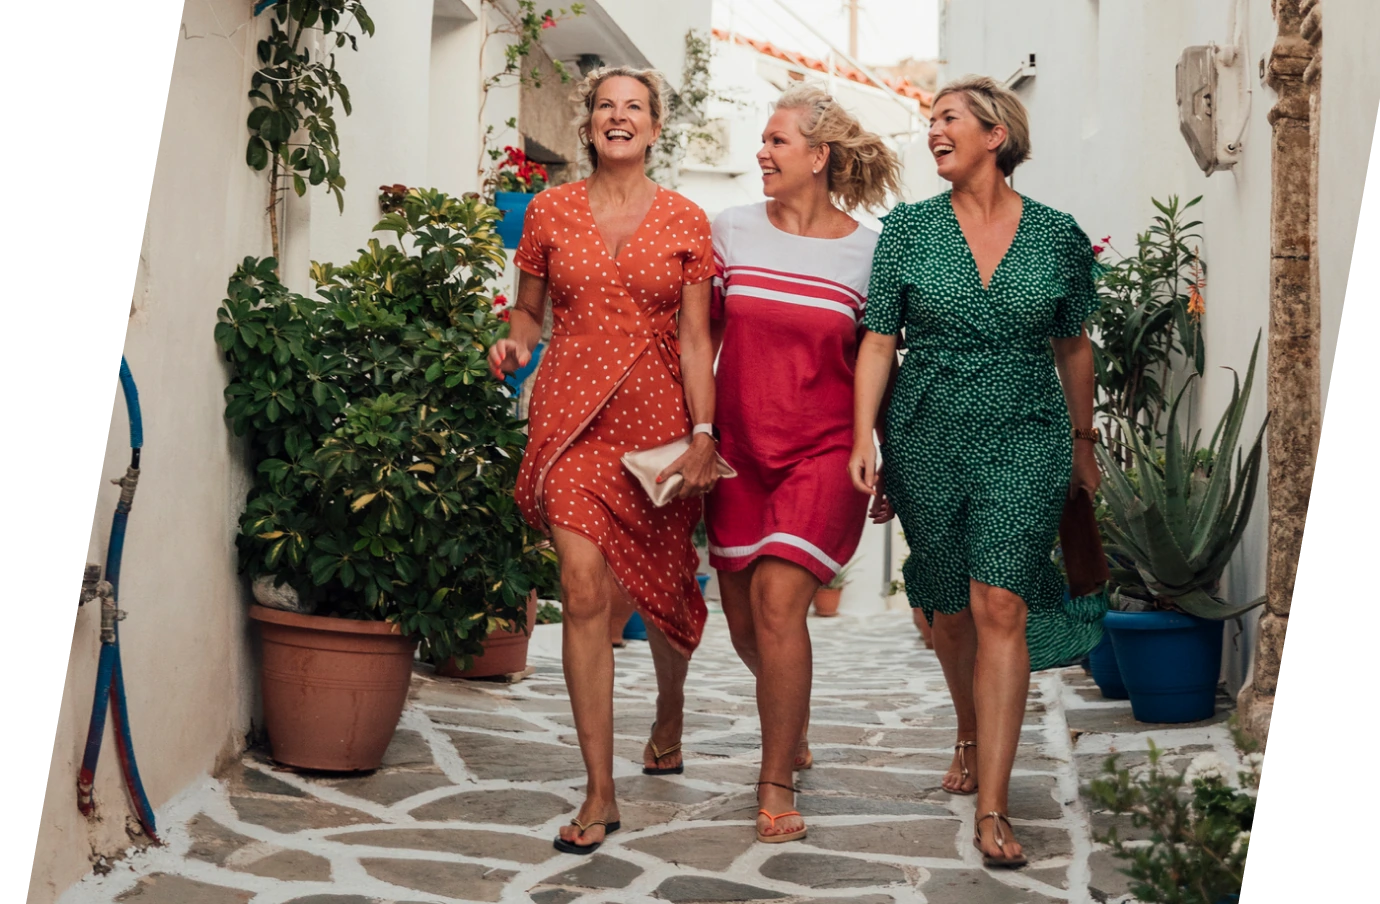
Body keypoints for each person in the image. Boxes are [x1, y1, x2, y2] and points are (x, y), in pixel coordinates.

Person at [850, 74, 1106, 869]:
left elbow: (1072, 343)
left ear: (996, 135)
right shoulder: (909, 230)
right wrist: (863, 432)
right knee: (952, 609)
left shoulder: (1057, 234)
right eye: (930, 121)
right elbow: (879, 339)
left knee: (1001, 600)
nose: (933, 132)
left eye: (948, 119)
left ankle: (993, 805)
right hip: (927, 431)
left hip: (1027, 429)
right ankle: (967, 725)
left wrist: (1082, 440)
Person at [487, 65, 721, 857]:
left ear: (656, 129)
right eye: (604, 108)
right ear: (587, 125)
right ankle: (600, 789)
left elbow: (697, 339)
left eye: (635, 109)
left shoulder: (689, 219)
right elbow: (529, 308)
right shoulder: (548, 210)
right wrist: (517, 339)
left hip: (659, 428)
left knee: (658, 581)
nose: (618, 118)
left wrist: (704, 432)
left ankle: (668, 713)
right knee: (584, 588)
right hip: (572, 421)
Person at [705, 84, 902, 844]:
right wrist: (694, 435)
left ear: (818, 157)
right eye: (763, 139)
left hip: (822, 452)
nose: (762, 151)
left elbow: (875, 359)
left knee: (782, 602)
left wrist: (880, 452)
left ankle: (776, 776)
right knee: (748, 624)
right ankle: (791, 723)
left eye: (777, 140)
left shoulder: (871, 249)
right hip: (737, 456)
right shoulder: (732, 232)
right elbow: (701, 343)